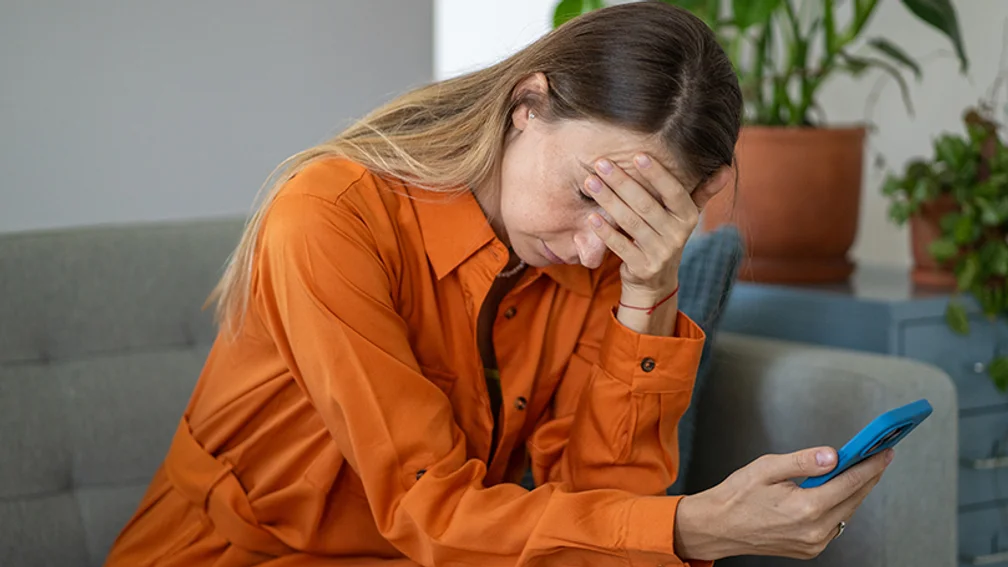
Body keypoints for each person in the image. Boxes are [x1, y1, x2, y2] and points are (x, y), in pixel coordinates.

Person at [104, 2, 893, 566]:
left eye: (635, 214)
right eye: (590, 192)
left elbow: (595, 514)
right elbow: (430, 511)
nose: (594, 251)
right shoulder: (329, 219)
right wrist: (692, 528)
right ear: (527, 105)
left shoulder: (608, 258)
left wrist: (649, 288)